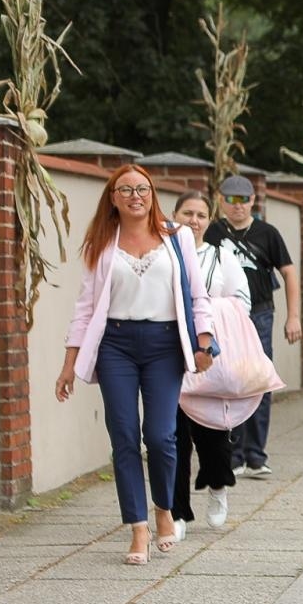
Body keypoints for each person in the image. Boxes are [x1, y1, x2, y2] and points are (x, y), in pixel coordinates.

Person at [57, 165, 216, 565]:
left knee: (161, 436)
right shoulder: (101, 242)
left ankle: (164, 508)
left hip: (165, 346)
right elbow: (84, 308)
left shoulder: (177, 238)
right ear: (113, 197)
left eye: (142, 188)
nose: (135, 196)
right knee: (124, 436)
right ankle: (138, 528)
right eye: (125, 189)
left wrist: (205, 341)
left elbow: (198, 297)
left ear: (152, 193)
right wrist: (68, 364)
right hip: (116, 347)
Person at [204, 174, 298, 477]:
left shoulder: (267, 233)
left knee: (257, 380)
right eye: (231, 199)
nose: (237, 206)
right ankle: (234, 453)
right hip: (225, 316)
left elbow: (289, 273)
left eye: (243, 199)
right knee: (228, 380)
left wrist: (293, 316)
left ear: (253, 201)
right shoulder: (212, 232)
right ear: (221, 200)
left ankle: (256, 454)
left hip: (260, 314)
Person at [170, 192, 249, 532]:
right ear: (174, 216)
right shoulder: (164, 255)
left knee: (213, 437)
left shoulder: (221, 257)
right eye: (187, 213)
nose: (194, 220)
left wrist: (210, 316)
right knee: (172, 438)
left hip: (210, 358)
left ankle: (217, 487)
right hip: (169, 357)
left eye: (201, 214)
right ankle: (176, 511)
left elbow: (242, 301)